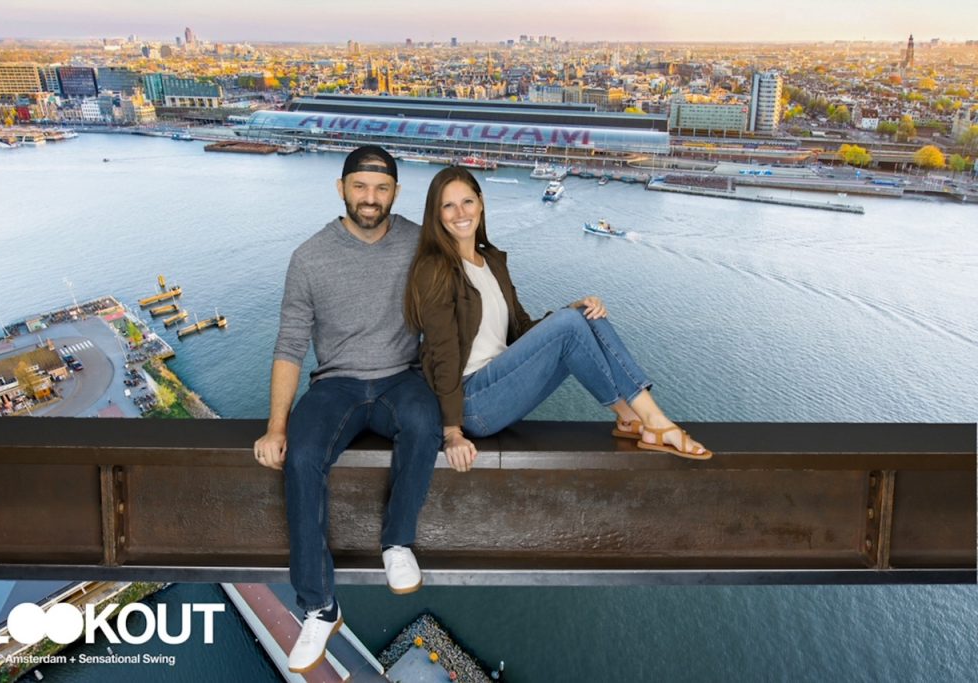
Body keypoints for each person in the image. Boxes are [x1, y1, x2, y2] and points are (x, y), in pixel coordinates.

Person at [253, 146, 442, 674]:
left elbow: (468, 284)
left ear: (396, 195)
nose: (370, 198)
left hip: (400, 377)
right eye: (360, 187)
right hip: (335, 383)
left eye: (381, 189)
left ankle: (397, 542)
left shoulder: (417, 241)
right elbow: (290, 343)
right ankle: (320, 605)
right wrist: (274, 427)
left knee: (424, 423)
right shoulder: (310, 257)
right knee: (302, 454)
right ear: (341, 188)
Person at [404, 166, 710, 472]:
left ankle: (629, 417)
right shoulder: (435, 269)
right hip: (472, 404)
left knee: (585, 314)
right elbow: (443, 354)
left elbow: (521, 330)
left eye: (467, 202)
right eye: (448, 205)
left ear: (481, 202)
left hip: (502, 382)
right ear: (437, 214)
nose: (460, 212)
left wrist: (572, 308)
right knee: (568, 323)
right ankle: (655, 420)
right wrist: (452, 433)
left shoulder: (492, 261)